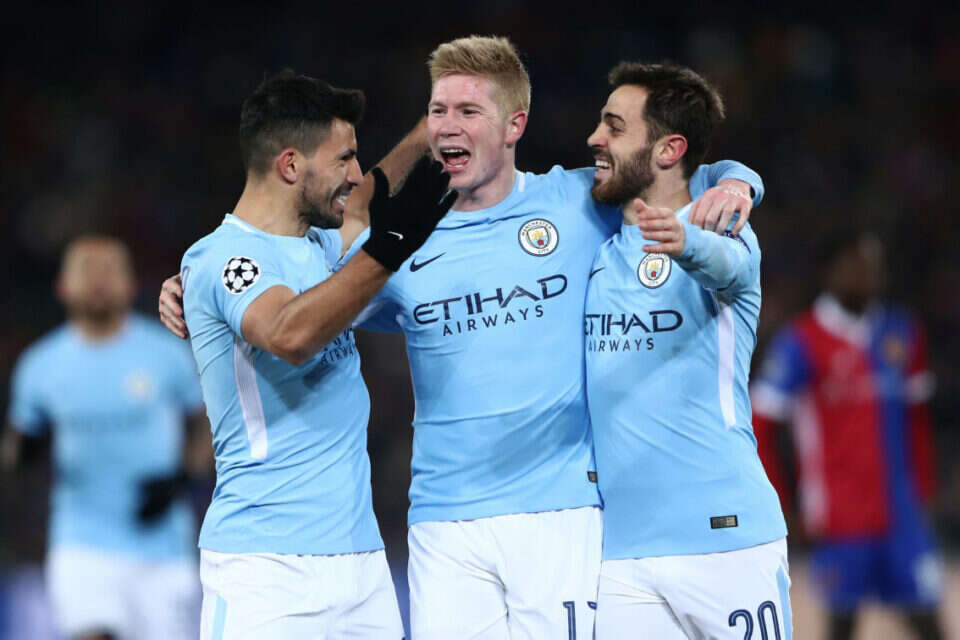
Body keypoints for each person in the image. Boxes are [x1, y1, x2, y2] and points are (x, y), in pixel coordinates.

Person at [159, 37, 764, 639]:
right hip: (440, 524)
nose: (449, 125)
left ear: (514, 125)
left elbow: (675, 169)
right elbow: (296, 291)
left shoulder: (579, 202)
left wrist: (739, 183)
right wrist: (203, 288)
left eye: (468, 111)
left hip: (559, 512)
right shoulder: (394, 245)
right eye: (437, 111)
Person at [178, 70, 454, 638]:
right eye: (344, 159)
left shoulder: (320, 244)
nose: (355, 173)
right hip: (266, 567)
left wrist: (434, 127)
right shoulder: (223, 258)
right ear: (289, 165)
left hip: (361, 562)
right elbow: (290, 335)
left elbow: (367, 201)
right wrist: (388, 248)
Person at [583, 61, 790, 639]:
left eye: (614, 127)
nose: (594, 139)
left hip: (726, 538)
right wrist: (739, 176)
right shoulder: (598, 245)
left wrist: (689, 244)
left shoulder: (724, 229)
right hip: (622, 556)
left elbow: (728, 267)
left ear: (669, 149)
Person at [2, 235, 208, 640]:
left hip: (162, 545)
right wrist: (22, 453)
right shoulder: (40, 366)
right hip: (82, 541)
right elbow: (15, 449)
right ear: (63, 285)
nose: (98, 279)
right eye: (86, 269)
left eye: (110, 269)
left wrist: (183, 478)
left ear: (131, 284)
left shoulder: (165, 353)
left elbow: (203, 425)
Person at [751, 230, 943, 640]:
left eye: (874, 267)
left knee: (929, 623)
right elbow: (760, 427)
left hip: (902, 515)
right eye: (857, 265)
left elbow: (916, 420)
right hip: (839, 518)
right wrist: (781, 504)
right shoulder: (801, 341)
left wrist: (924, 491)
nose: (868, 276)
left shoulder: (901, 332)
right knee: (841, 627)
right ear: (830, 271)